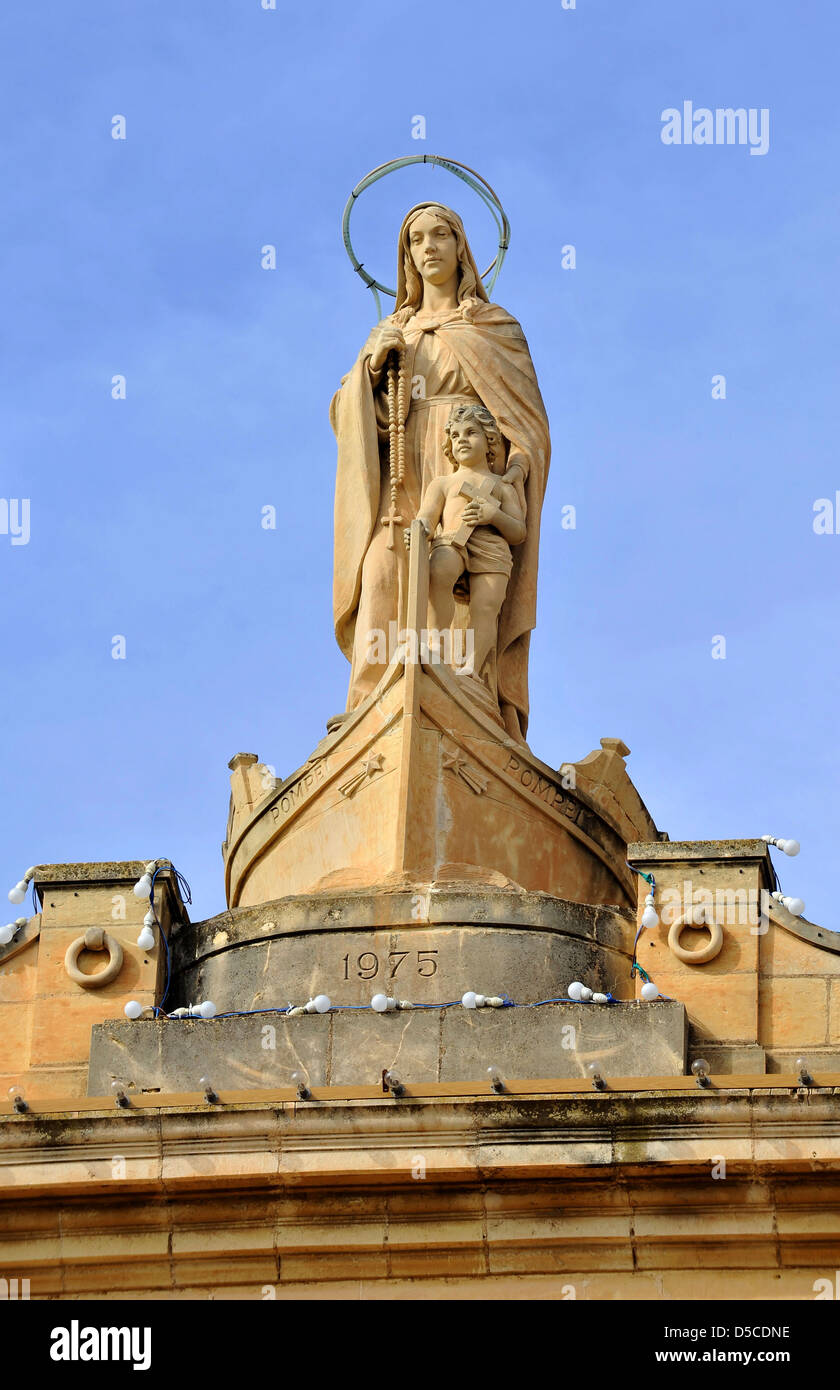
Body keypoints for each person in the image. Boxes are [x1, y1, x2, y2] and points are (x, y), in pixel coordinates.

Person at [331, 201, 550, 741]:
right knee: (385, 570)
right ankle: (370, 706)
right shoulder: (392, 331)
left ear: (461, 247)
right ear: (406, 257)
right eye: (415, 240)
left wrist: (510, 481)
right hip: (404, 472)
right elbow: (347, 417)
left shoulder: (493, 327)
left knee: (463, 582)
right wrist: (371, 370)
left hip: (466, 469)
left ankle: (467, 694)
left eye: (440, 236)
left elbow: (526, 427)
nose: (428, 247)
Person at [407, 403, 525, 681]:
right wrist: (419, 528)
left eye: (471, 432)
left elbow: (518, 532)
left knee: (486, 606)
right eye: (456, 435)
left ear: (489, 442)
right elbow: (427, 516)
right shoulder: (443, 483)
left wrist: (493, 515)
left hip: (493, 550)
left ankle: (471, 666)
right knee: (439, 570)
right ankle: (436, 644)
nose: (462, 440)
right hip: (452, 542)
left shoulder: (502, 486)